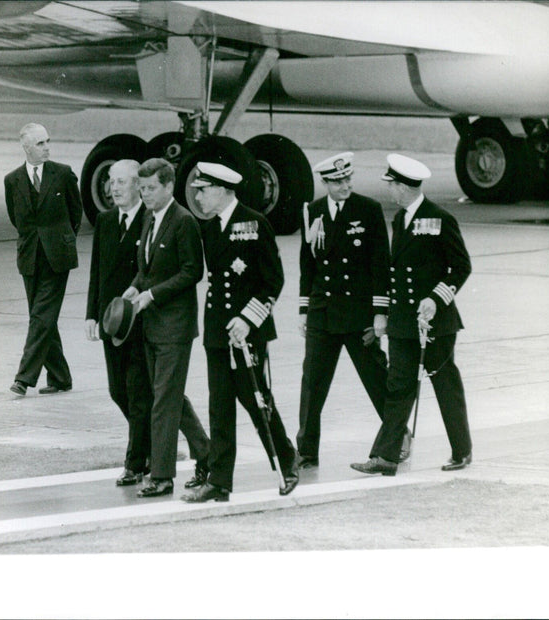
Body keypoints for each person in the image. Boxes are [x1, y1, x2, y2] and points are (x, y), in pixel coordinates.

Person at [182, 162, 299, 503]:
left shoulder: (254, 223)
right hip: (219, 332)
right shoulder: (210, 227)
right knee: (219, 407)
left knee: (256, 400)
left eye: (202, 190)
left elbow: (272, 280)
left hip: (247, 332)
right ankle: (219, 481)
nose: (198, 196)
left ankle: (286, 459)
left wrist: (248, 319)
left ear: (222, 189)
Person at [351, 154, 473, 476]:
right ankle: (386, 457)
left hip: (435, 323)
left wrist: (435, 298)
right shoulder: (400, 220)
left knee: (446, 386)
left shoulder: (440, 219)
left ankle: (462, 450)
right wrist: (386, 316)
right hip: (404, 323)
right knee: (398, 387)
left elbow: (461, 267)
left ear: (404, 187)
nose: (390, 190)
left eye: (392, 185)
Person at [296, 152, 409, 468]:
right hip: (323, 312)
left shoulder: (368, 210)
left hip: (359, 315)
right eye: (338, 181)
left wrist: (379, 312)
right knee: (312, 383)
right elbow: (308, 265)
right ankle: (306, 449)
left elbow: (379, 265)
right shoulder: (314, 212)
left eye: (348, 179)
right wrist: (304, 309)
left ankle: (397, 437)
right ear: (326, 183)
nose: (344, 185)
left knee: (376, 380)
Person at [122, 158, 210, 498]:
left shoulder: (183, 221)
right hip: (152, 326)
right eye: (141, 189)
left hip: (174, 326)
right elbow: (148, 266)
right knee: (169, 396)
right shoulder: (150, 217)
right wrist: (135, 286)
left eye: (151, 188)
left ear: (169, 186)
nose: (144, 195)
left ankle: (161, 475)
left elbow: (192, 272)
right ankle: (206, 454)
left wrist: (152, 295)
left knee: (163, 400)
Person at [85, 160, 152, 486]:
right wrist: (91, 316)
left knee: (138, 393)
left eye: (121, 182)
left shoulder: (150, 221)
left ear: (138, 185)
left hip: (139, 323)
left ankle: (135, 463)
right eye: (111, 181)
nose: (113, 188)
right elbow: (98, 273)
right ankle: (148, 443)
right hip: (112, 323)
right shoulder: (106, 220)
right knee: (117, 390)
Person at [6, 123, 82, 397]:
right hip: (29, 257)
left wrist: (61, 240)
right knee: (43, 318)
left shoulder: (62, 174)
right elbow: (16, 219)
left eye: (48, 141)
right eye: (40, 144)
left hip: (57, 257)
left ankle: (24, 378)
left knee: (41, 317)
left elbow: (76, 213)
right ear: (27, 148)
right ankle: (61, 377)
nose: (47, 147)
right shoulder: (12, 180)